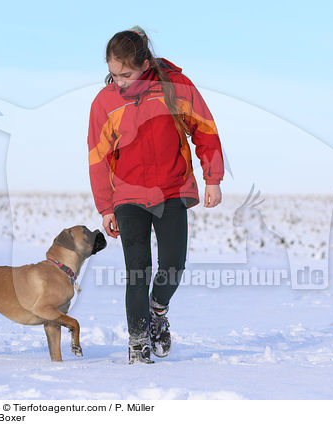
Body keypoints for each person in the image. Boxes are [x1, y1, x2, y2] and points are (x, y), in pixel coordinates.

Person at [87, 26, 224, 364]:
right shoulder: (105, 103)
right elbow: (98, 158)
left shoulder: (175, 87)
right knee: (137, 271)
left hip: (172, 190)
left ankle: (157, 311)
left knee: (174, 266)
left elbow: (205, 129)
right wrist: (106, 207)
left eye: (126, 74)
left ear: (144, 63)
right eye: (113, 73)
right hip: (128, 196)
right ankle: (137, 344)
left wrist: (213, 178)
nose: (118, 81)